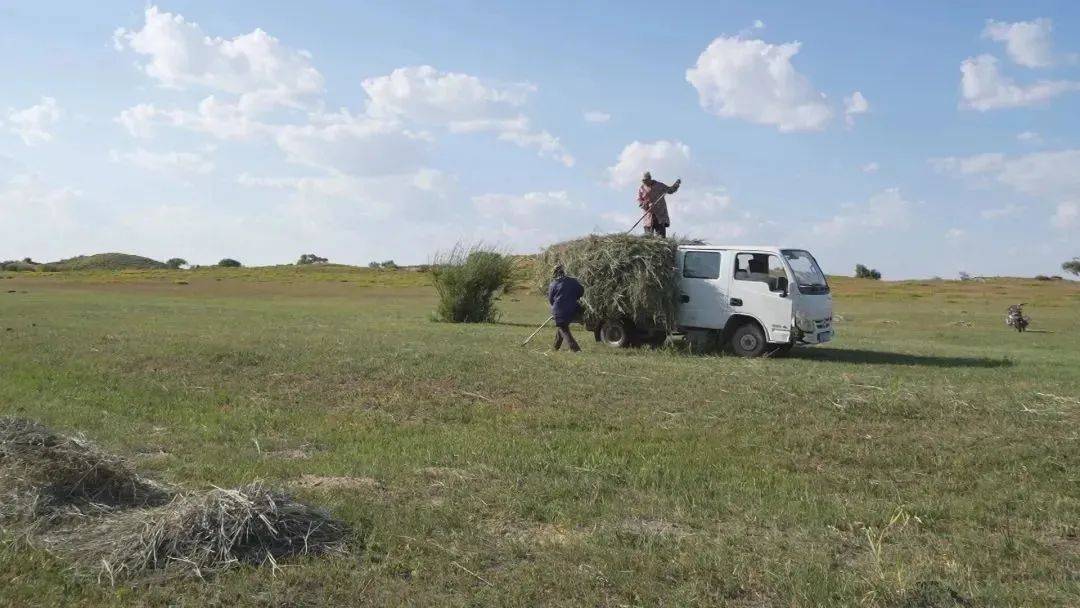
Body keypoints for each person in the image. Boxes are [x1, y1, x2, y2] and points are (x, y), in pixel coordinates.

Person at [548, 265, 584, 352]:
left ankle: (576, 349)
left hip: (559, 310)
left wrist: (556, 308)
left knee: (564, 329)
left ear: (555, 273)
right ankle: (555, 347)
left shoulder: (554, 284)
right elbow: (581, 291)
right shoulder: (573, 281)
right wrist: (573, 298)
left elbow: (550, 299)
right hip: (573, 308)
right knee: (562, 326)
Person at [637, 171, 681, 238]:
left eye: (645, 180)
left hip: (660, 216)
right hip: (648, 217)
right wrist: (646, 205)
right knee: (648, 238)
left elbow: (670, 190)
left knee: (661, 237)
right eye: (643, 181)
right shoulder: (641, 188)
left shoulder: (659, 185)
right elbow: (639, 200)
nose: (644, 182)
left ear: (650, 179)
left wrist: (676, 185)